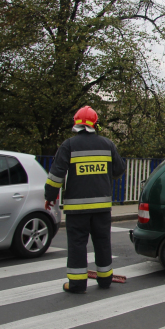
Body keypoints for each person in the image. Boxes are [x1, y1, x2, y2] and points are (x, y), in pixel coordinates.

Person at [44, 106, 125, 294]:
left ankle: (77, 284)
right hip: (102, 208)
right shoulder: (107, 144)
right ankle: (105, 280)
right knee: (103, 242)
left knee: (77, 245)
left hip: (77, 208)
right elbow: (119, 170)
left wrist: (50, 197)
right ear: (95, 124)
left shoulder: (69, 145)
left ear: (76, 123)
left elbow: (56, 175)